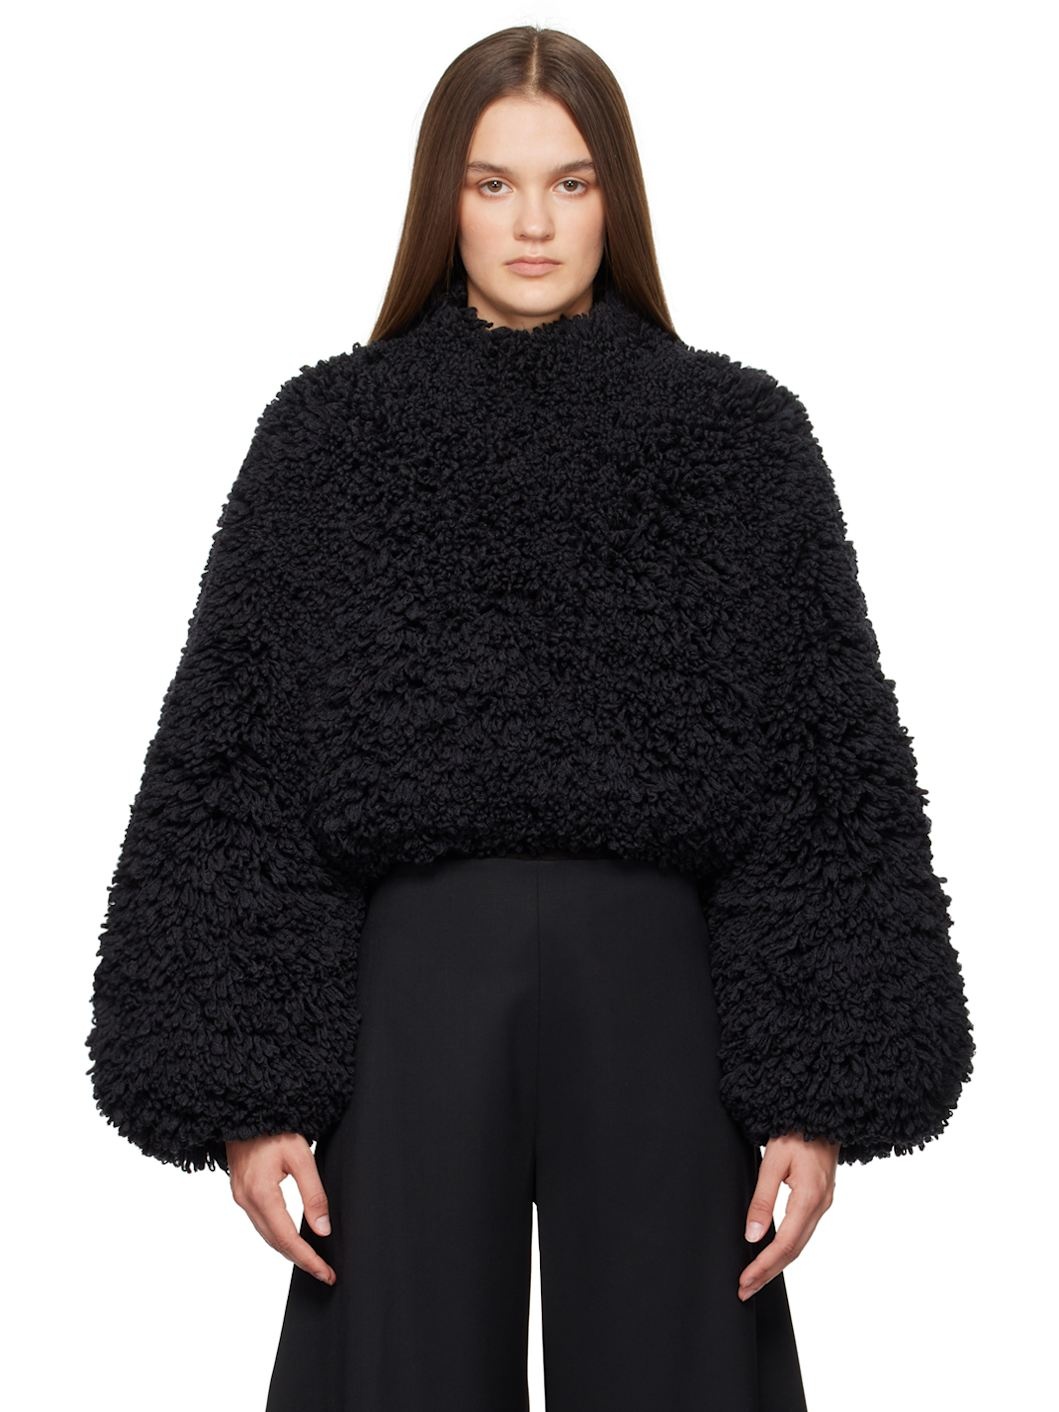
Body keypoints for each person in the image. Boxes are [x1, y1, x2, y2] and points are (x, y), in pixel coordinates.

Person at [84, 24, 975, 1412]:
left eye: (570, 182)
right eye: (493, 184)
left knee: (684, 1375)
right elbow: (237, 755)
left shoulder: (736, 440)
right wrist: (246, 1096)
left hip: (662, 985)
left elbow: (824, 757)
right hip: (414, 987)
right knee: (395, 1374)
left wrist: (817, 1091)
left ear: (618, 196)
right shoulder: (332, 439)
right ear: (442, 197)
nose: (535, 224)